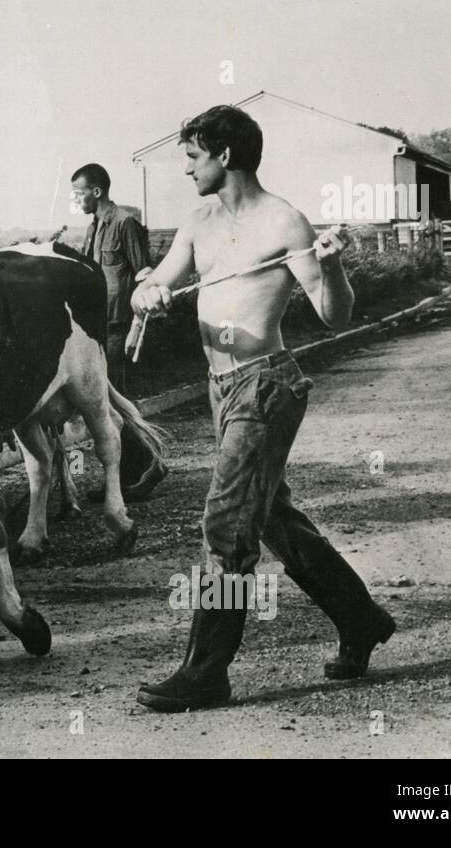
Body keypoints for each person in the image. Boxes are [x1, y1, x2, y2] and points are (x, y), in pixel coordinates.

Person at [130, 105, 395, 712]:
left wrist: (332, 266)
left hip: (265, 387)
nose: (187, 169)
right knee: (273, 520)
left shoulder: (284, 222)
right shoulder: (197, 222)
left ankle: (206, 672)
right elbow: (161, 281)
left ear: (225, 155)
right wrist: (150, 291)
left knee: (225, 527)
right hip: (219, 387)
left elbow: (335, 314)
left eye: (193, 157)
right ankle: (360, 619)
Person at [74, 163, 151, 392]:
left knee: (115, 392)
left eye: (79, 194)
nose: (76, 200)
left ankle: (126, 428)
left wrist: (136, 329)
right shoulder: (92, 228)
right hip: (95, 323)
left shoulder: (125, 223)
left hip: (118, 326)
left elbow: (145, 277)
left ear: (96, 192)